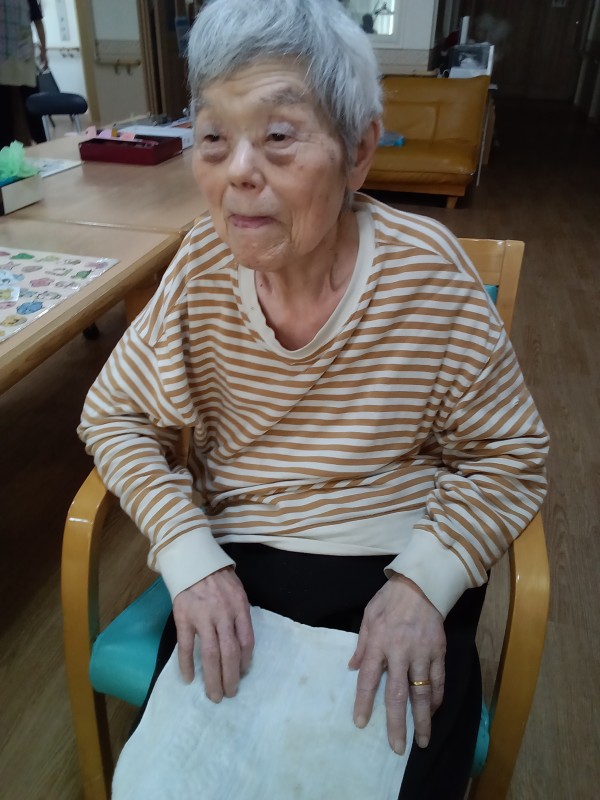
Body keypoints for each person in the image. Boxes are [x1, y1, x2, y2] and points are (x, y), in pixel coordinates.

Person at [78, 0, 549, 796]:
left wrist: (424, 584)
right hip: (238, 563)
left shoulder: (427, 275)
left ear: (359, 151)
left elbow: (510, 453)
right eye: (213, 137)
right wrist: (187, 556)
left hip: (398, 562)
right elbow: (114, 415)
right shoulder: (200, 268)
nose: (238, 172)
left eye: (278, 135)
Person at [0, 0, 48, 148]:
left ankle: (41, 145)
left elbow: (38, 22)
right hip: (2, 59)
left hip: (24, 57)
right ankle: (6, 150)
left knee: (31, 105)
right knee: (5, 109)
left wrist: (43, 50)